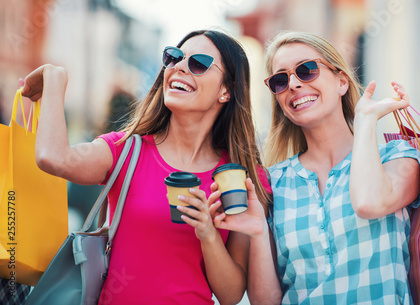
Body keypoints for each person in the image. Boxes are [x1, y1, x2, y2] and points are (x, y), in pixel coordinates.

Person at [20, 29, 271, 305]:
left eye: (198, 63)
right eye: (173, 58)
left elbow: (231, 295)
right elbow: (53, 158)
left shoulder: (240, 178)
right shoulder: (125, 151)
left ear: (226, 90)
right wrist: (55, 80)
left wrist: (207, 233)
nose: (179, 68)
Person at [212, 31, 420, 304]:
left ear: (342, 82)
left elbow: (370, 203)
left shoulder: (396, 156)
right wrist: (260, 232)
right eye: (280, 79)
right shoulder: (273, 183)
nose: (294, 84)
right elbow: (266, 301)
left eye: (307, 70)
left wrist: (365, 119)